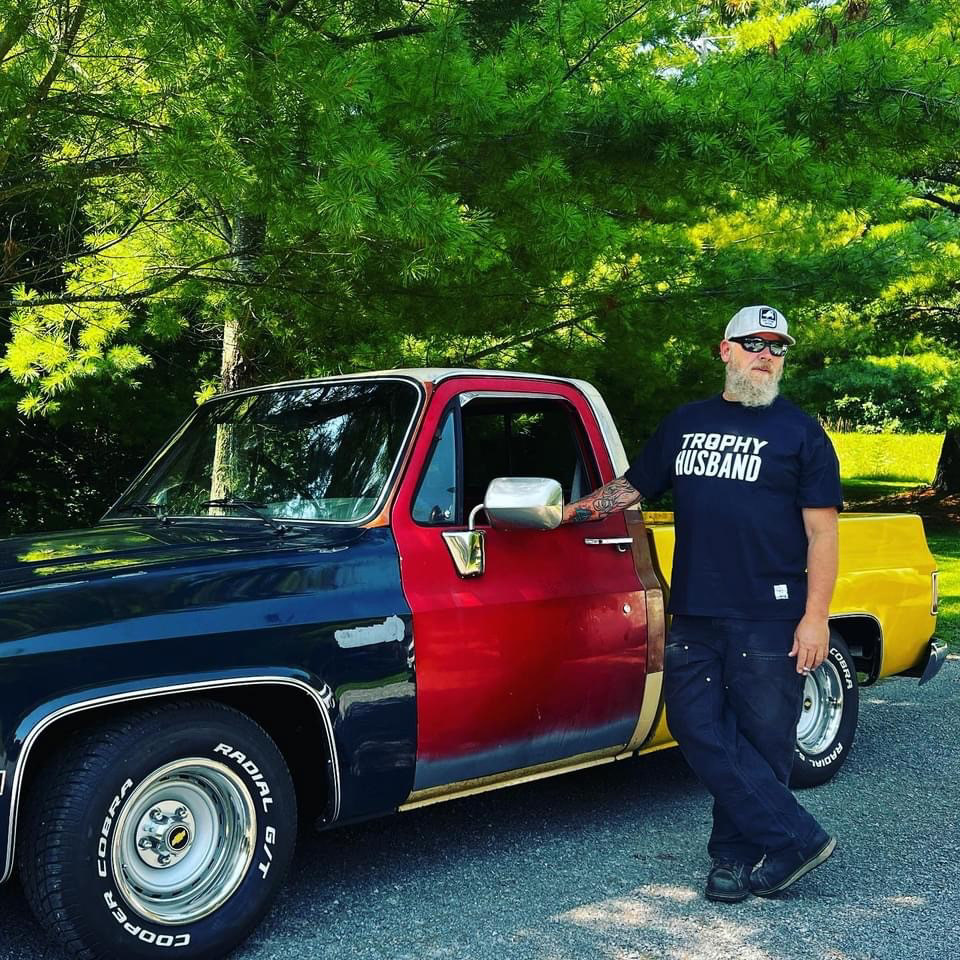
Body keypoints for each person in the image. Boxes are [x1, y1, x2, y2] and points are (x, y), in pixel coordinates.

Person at [562, 305, 842, 902]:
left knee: (762, 741)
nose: (767, 355)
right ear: (725, 350)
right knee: (696, 726)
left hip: (770, 615)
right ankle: (797, 837)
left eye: (778, 347)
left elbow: (823, 534)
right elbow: (632, 487)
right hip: (695, 610)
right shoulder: (686, 422)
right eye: (754, 343)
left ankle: (734, 860)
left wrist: (815, 618)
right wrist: (565, 514)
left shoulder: (802, 433)